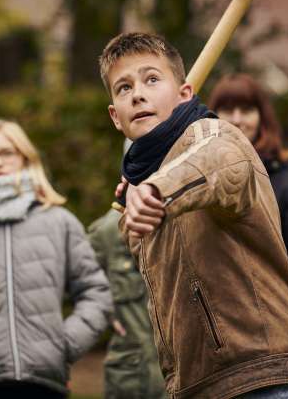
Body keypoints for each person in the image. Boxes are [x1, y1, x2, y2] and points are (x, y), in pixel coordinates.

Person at [99, 32, 288, 398]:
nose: (137, 93)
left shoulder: (217, 135)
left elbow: (218, 162)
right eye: (123, 88)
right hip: (199, 386)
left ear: (185, 93)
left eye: (152, 79)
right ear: (115, 117)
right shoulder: (143, 181)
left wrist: (156, 189)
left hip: (263, 379)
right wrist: (136, 200)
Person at [0, 119, 112, 399]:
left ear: (24, 158)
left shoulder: (60, 222)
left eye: (7, 153)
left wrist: (62, 345)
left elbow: (97, 293)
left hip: (45, 384)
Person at [208, 73, 288, 338]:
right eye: (227, 109)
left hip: (275, 326)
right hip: (218, 329)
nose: (237, 119)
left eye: (247, 109)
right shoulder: (197, 181)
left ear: (262, 118)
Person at [88, 141, 166, 399]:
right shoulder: (106, 232)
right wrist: (101, 313)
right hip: (134, 381)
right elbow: (77, 286)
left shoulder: (197, 219)